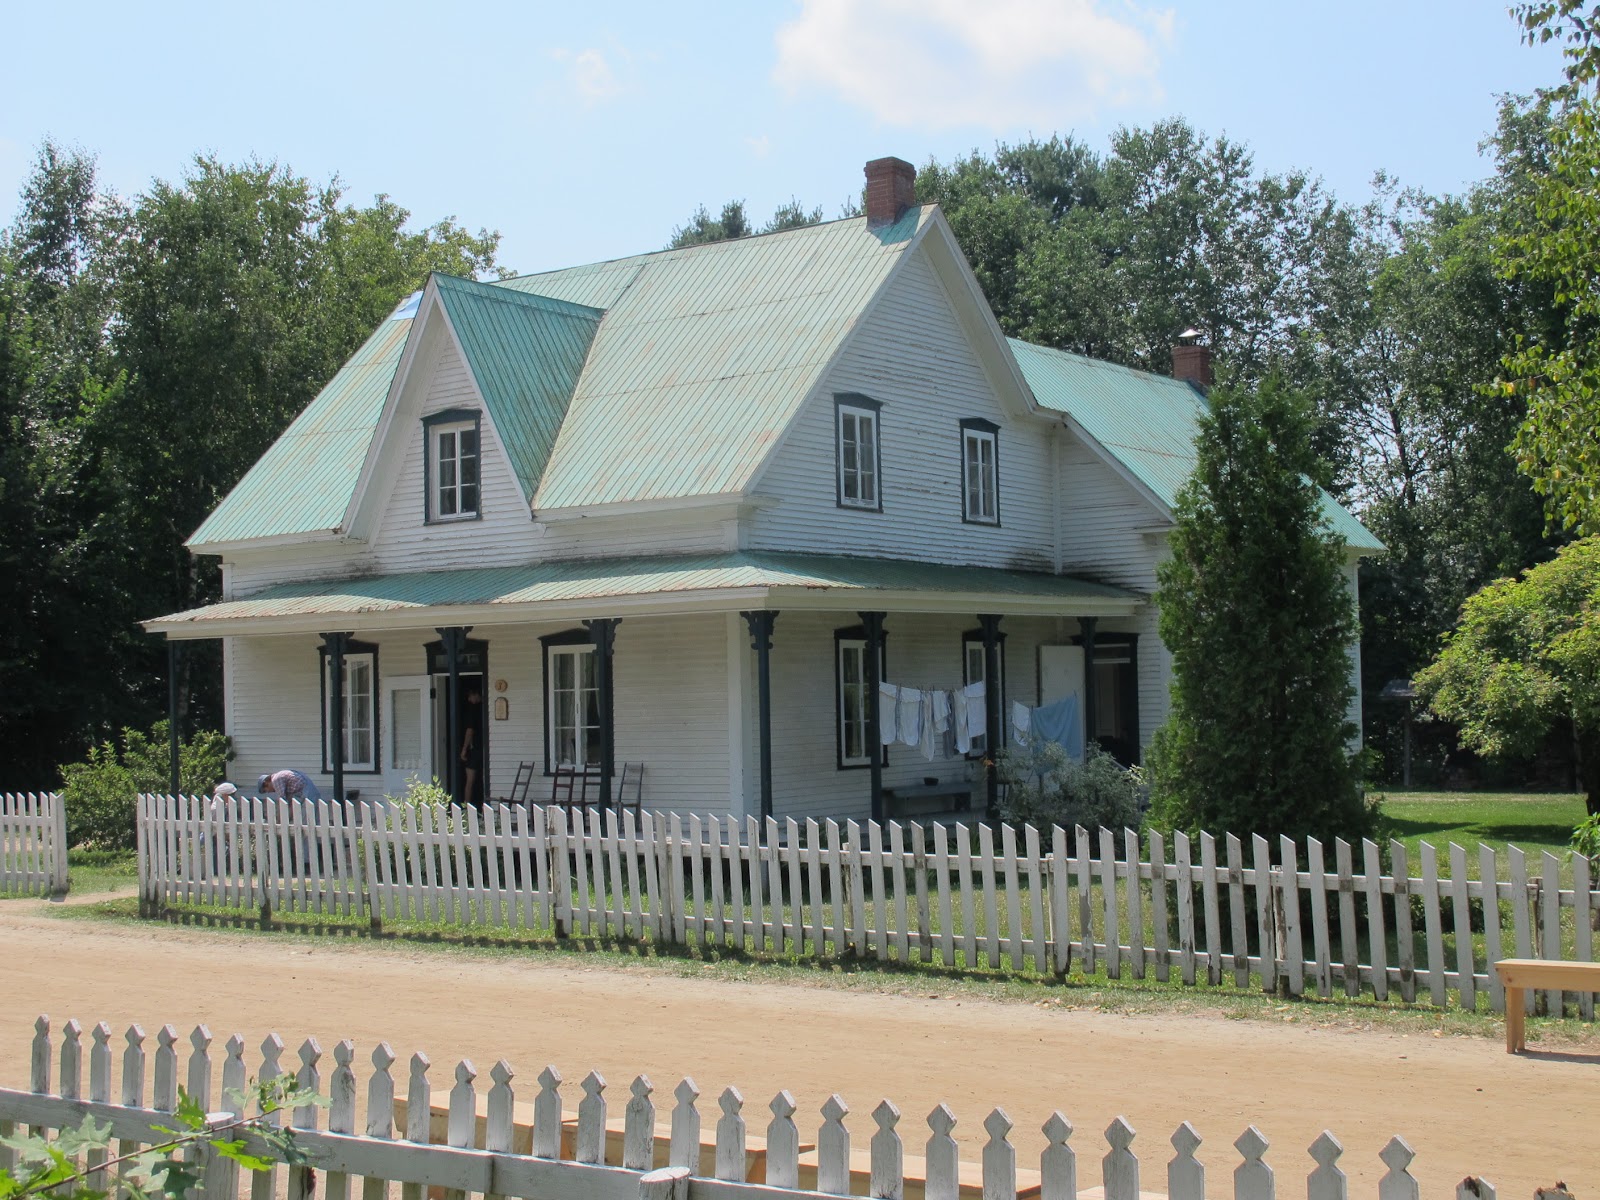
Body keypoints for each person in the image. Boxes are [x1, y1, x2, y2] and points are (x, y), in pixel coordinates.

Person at [459, 687, 484, 806]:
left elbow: (470, 730)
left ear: (476, 694)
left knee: (470, 781)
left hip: (475, 749)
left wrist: (464, 749)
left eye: (470, 696)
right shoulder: (485, 708)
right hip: (485, 749)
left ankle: (466, 807)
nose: (469, 700)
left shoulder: (473, 710)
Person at [256, 769, 322, 802]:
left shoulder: (275, 780)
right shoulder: (281, 778)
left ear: (266, 783)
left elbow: (283, 800)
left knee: (307, 819)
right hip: (307, 791)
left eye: (265, 790)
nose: (268, 792)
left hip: (307, 792)